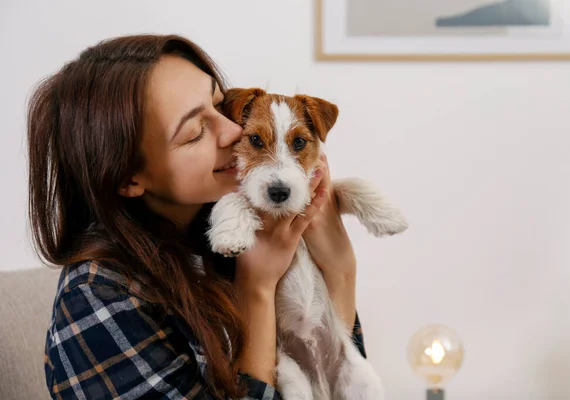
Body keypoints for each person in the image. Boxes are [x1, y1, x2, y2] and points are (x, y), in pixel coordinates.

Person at [28, 34, 365, 399]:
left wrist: (340, 269)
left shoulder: (231, 226)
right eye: (194, 132)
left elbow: (334, 375)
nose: (234, 130)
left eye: (219, 105)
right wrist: (256, 286)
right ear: (128, 177)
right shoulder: (97, 303)